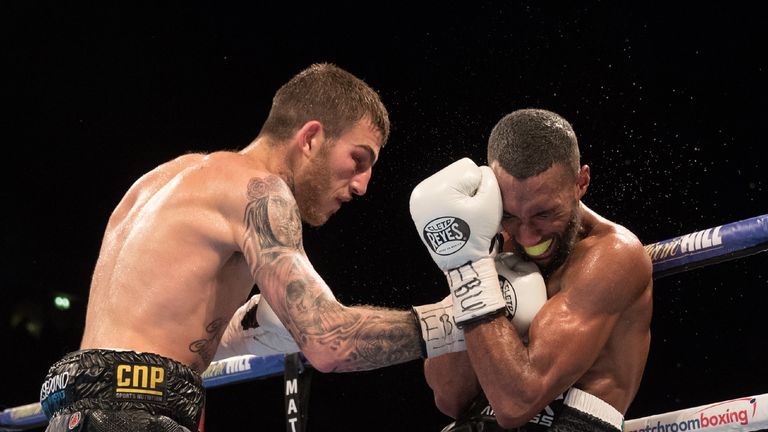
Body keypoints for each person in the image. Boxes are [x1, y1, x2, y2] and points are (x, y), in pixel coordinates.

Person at [38, 63, 485, 432]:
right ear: (310, 138)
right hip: (133, 415)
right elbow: (331, 343)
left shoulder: (162, 181)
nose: (363, 185)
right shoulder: (259, 192)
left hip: (74, 406)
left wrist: (243, 329)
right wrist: (458, 318)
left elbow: (145, 328)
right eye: (358, 159)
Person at [409, 108, 653, 431]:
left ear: (581, 183)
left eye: (544, 214)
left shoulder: (612, 256)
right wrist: (462, 259)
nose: (527, 236)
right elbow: (450, 395)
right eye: (510, 215)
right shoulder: (493, 243)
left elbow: (516, 403)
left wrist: (473, 277)